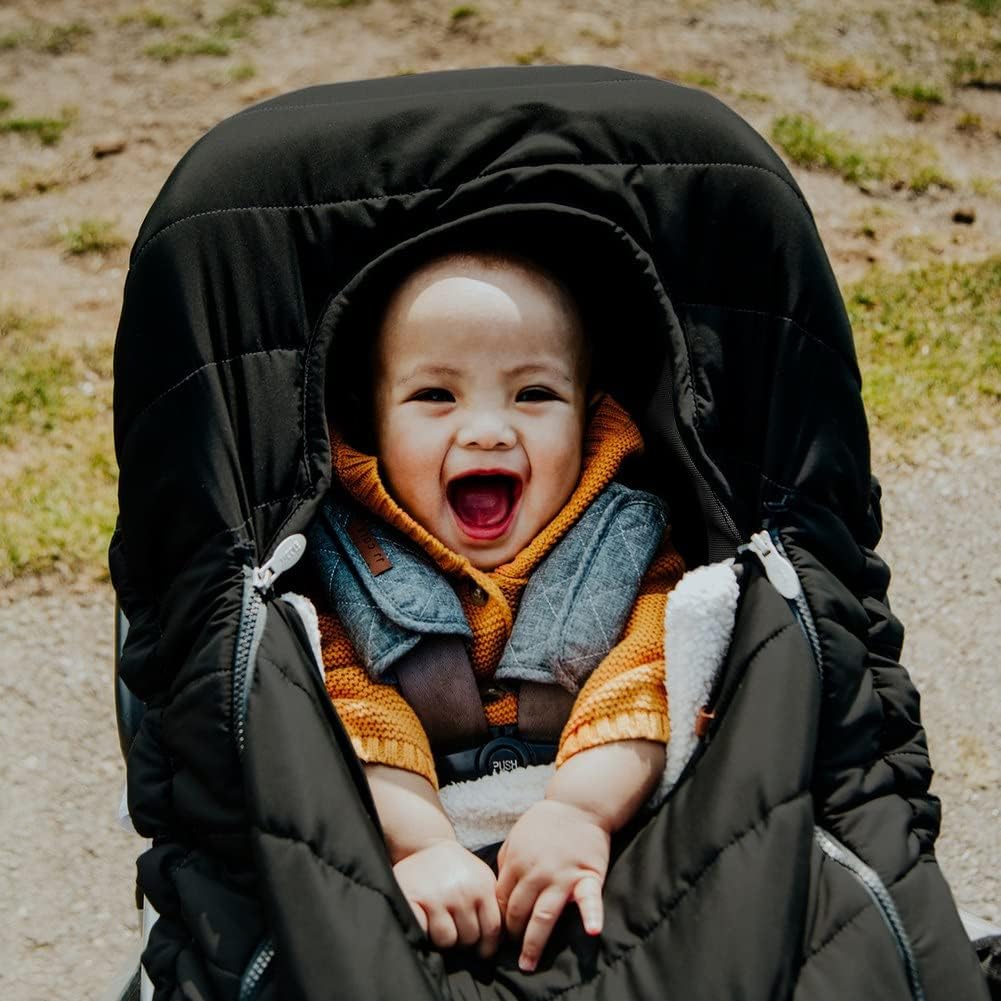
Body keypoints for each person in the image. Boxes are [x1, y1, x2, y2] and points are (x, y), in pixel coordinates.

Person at [307, 249, 684, 973]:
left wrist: (578, 808)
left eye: (533, 394)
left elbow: (649, 670)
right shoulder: (343, 558)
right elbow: (349, 704)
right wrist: (419, 845)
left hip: (600, 826)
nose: (487, 430)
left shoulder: (627, 539)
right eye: (434, 397)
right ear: (374, 425)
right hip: (423, 836)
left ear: (587, 416)